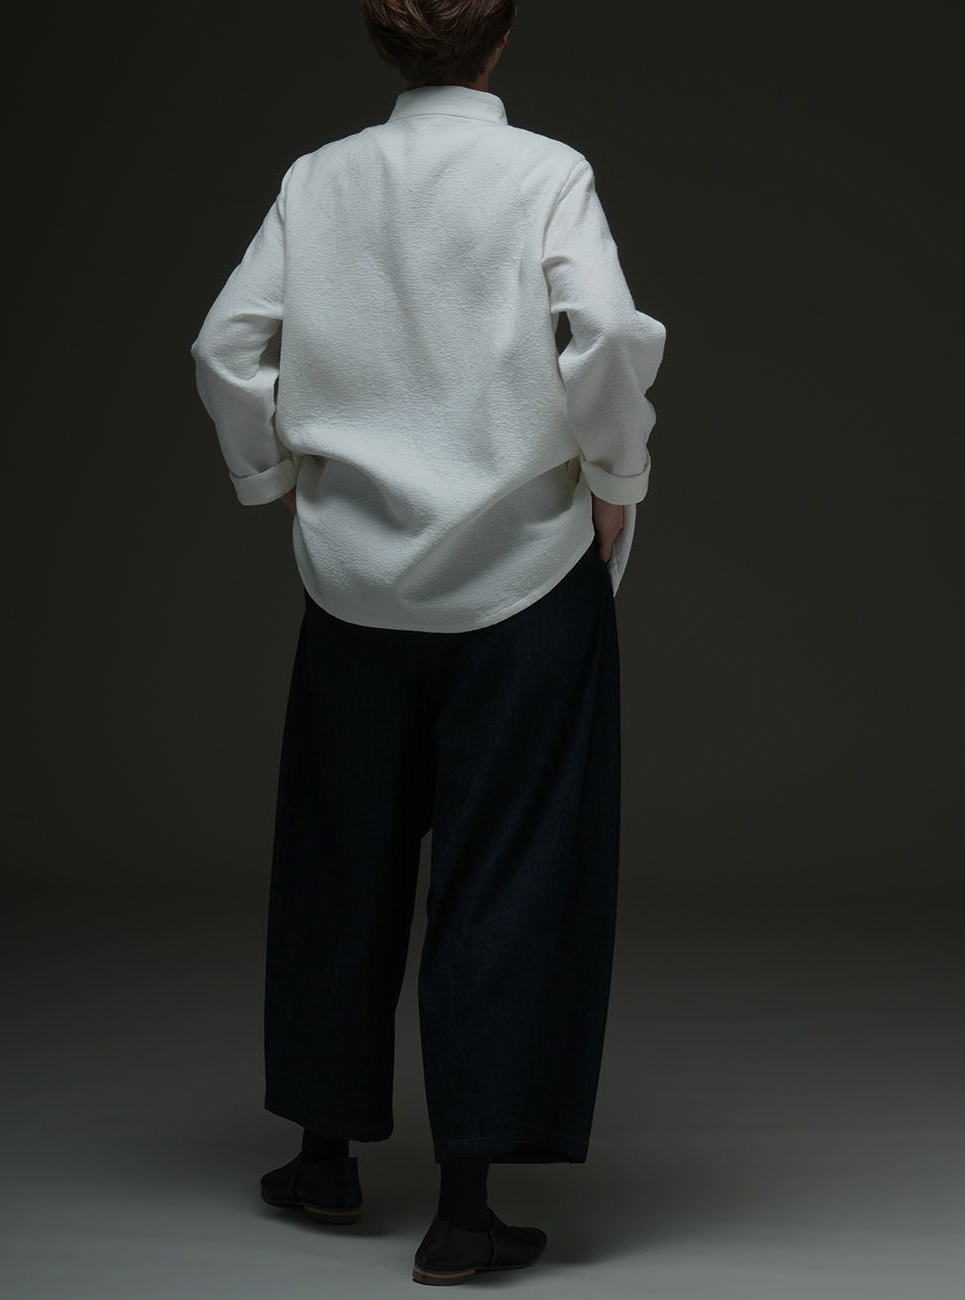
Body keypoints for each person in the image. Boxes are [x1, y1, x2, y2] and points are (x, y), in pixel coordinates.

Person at [189, 0, 667, 1285]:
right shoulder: (544, 173)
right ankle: (464, 1211)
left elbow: (225, 346)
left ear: (387, 43)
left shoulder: (319, 179)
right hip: (522, 580)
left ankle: (323, 1157)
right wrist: (615, 475)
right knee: (509, 873)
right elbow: (608, 335)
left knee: (337, 863)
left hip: (353, 586)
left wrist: (272, 472)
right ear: (497, 40)